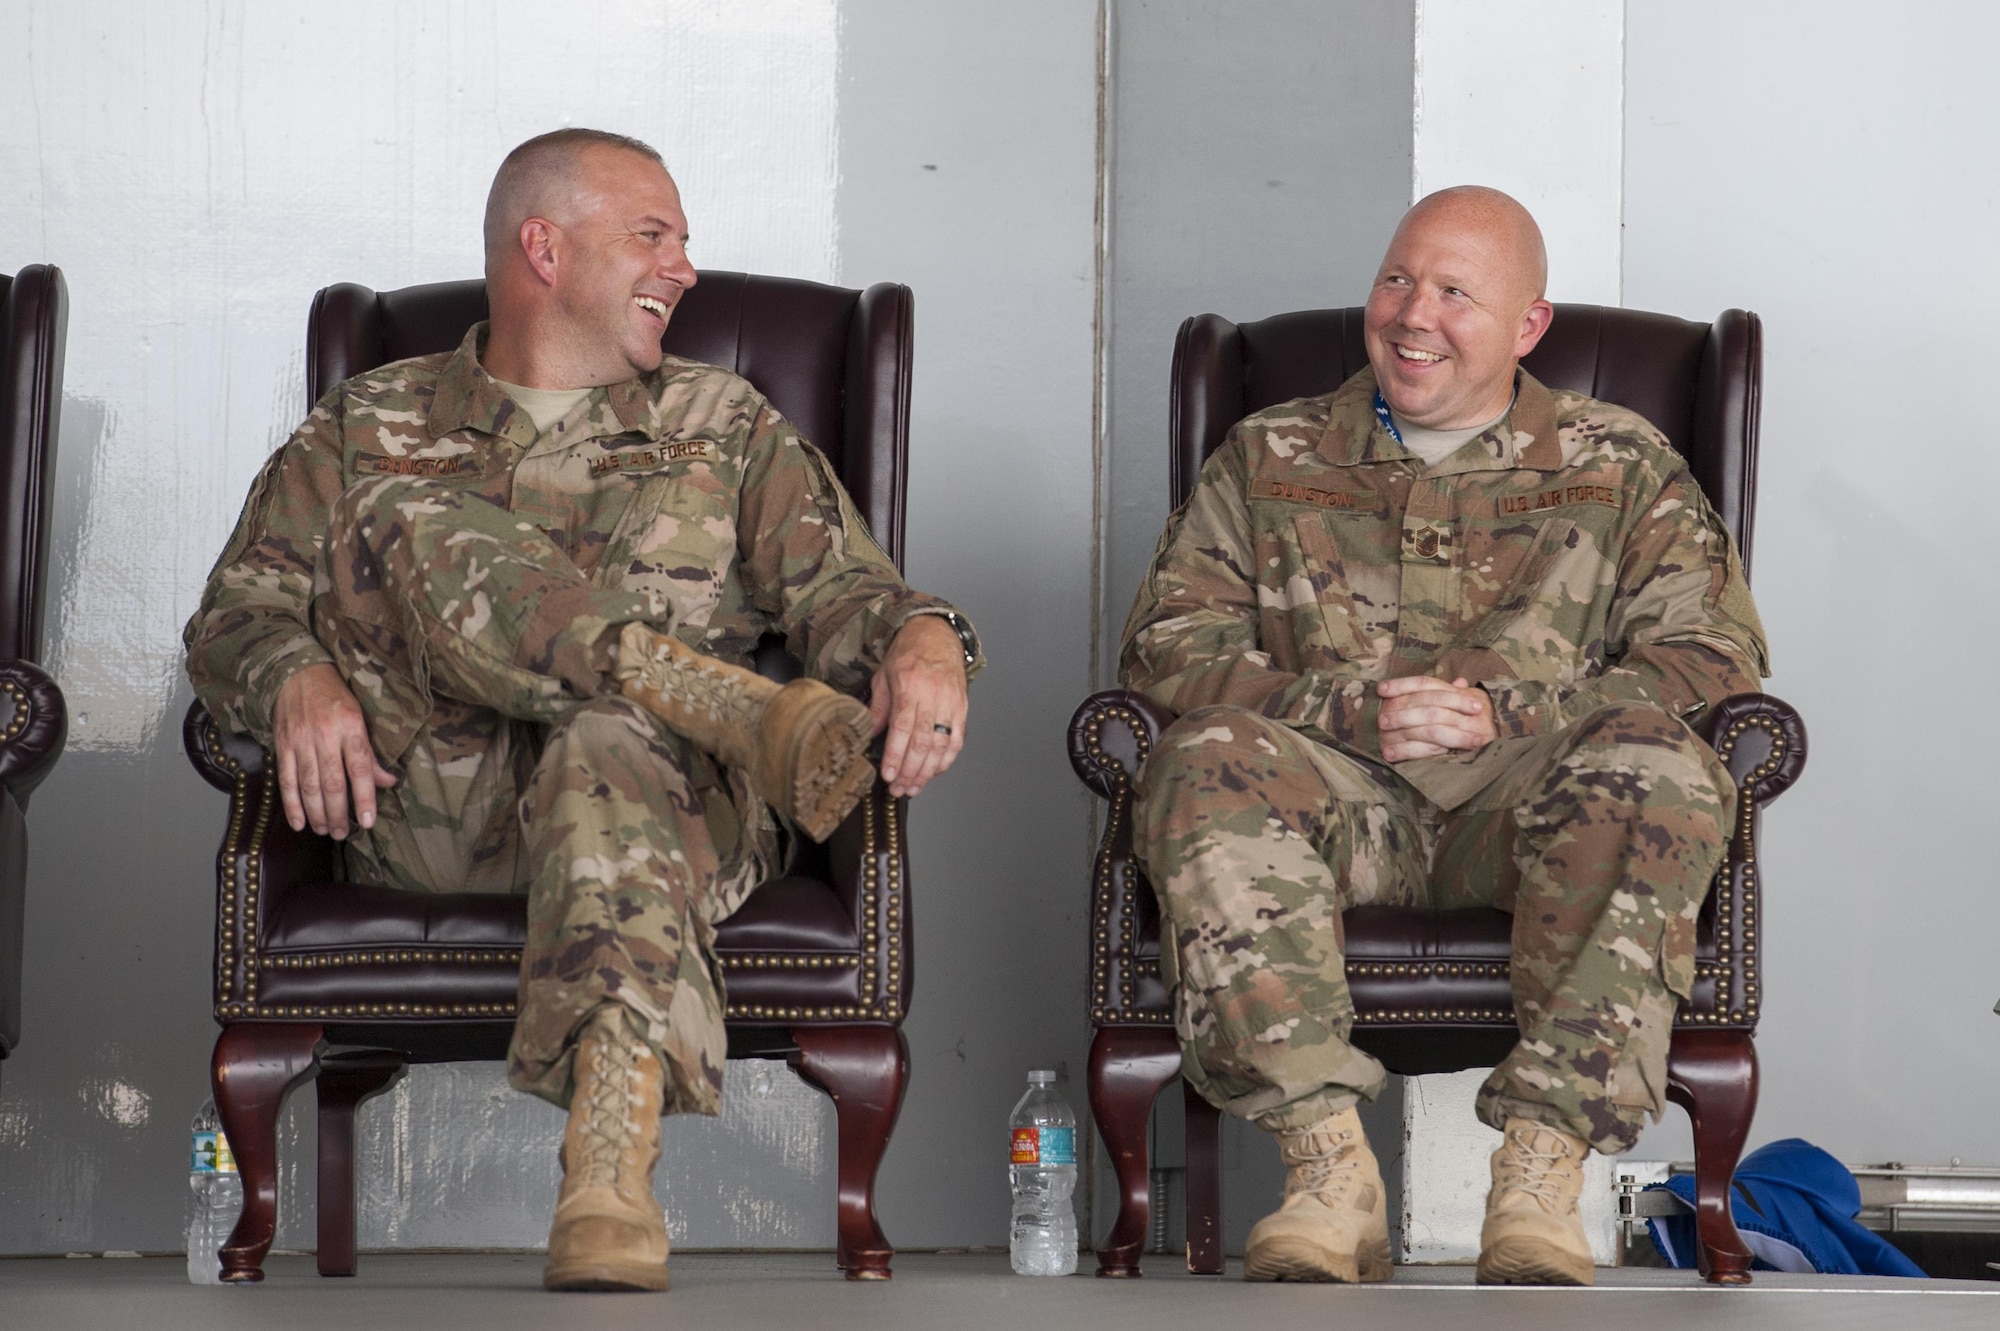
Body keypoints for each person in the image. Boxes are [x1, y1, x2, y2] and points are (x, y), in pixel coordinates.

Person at [183, 128, 980, 1293]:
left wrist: (926, 636)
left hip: (666, 807)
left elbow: (851, 596)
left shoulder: (724, 423)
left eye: (685, 242)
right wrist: (292, 676)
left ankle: (609, 1169)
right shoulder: (371, 422)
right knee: (399, 514)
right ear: (543, 248)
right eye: (652, 235)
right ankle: (714, 696)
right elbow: (231, 616)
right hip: (431, 812)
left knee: (606, 740)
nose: (686, 270)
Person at [1120, 186, 1767, 1286]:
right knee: (1197, 760)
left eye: (1454, 292)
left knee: (1656, 765)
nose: (1412, 313)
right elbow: (1165, 645)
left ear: (1527, 327)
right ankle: (1328, 1173)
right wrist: (1342, 707)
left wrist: (1510, 710)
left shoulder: (1616, 459)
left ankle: (1537, 1173)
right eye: (1395, 279)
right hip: (1332, 797)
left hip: (1526, 806)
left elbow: (1711, 654)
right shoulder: (1269, 450)